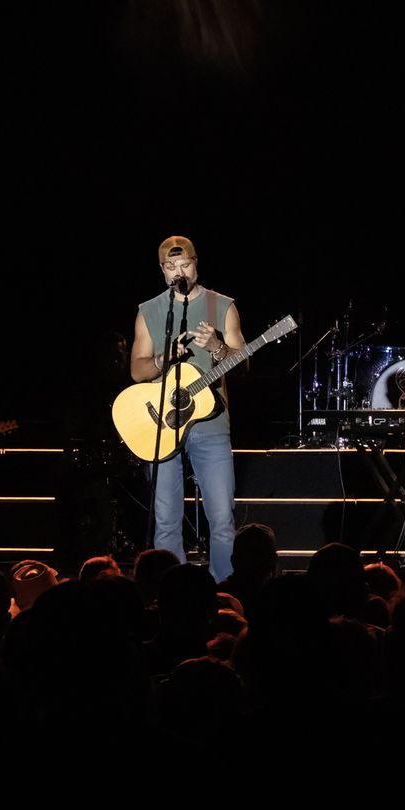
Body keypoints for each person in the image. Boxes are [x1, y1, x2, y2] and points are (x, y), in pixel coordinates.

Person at [129, 236, 243, 584]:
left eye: (185, 264)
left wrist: (218, 347)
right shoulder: (150, 310)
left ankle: (225, 588)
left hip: (211, 424)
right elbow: (137, 370)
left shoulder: (220, 306)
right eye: (171, 266)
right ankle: (171, 590)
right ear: (163, 271)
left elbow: (242, 361)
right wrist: (165, 359)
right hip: (163, 424)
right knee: (165, 517)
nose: (179, 271)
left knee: (222, 516)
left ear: (196, 263)